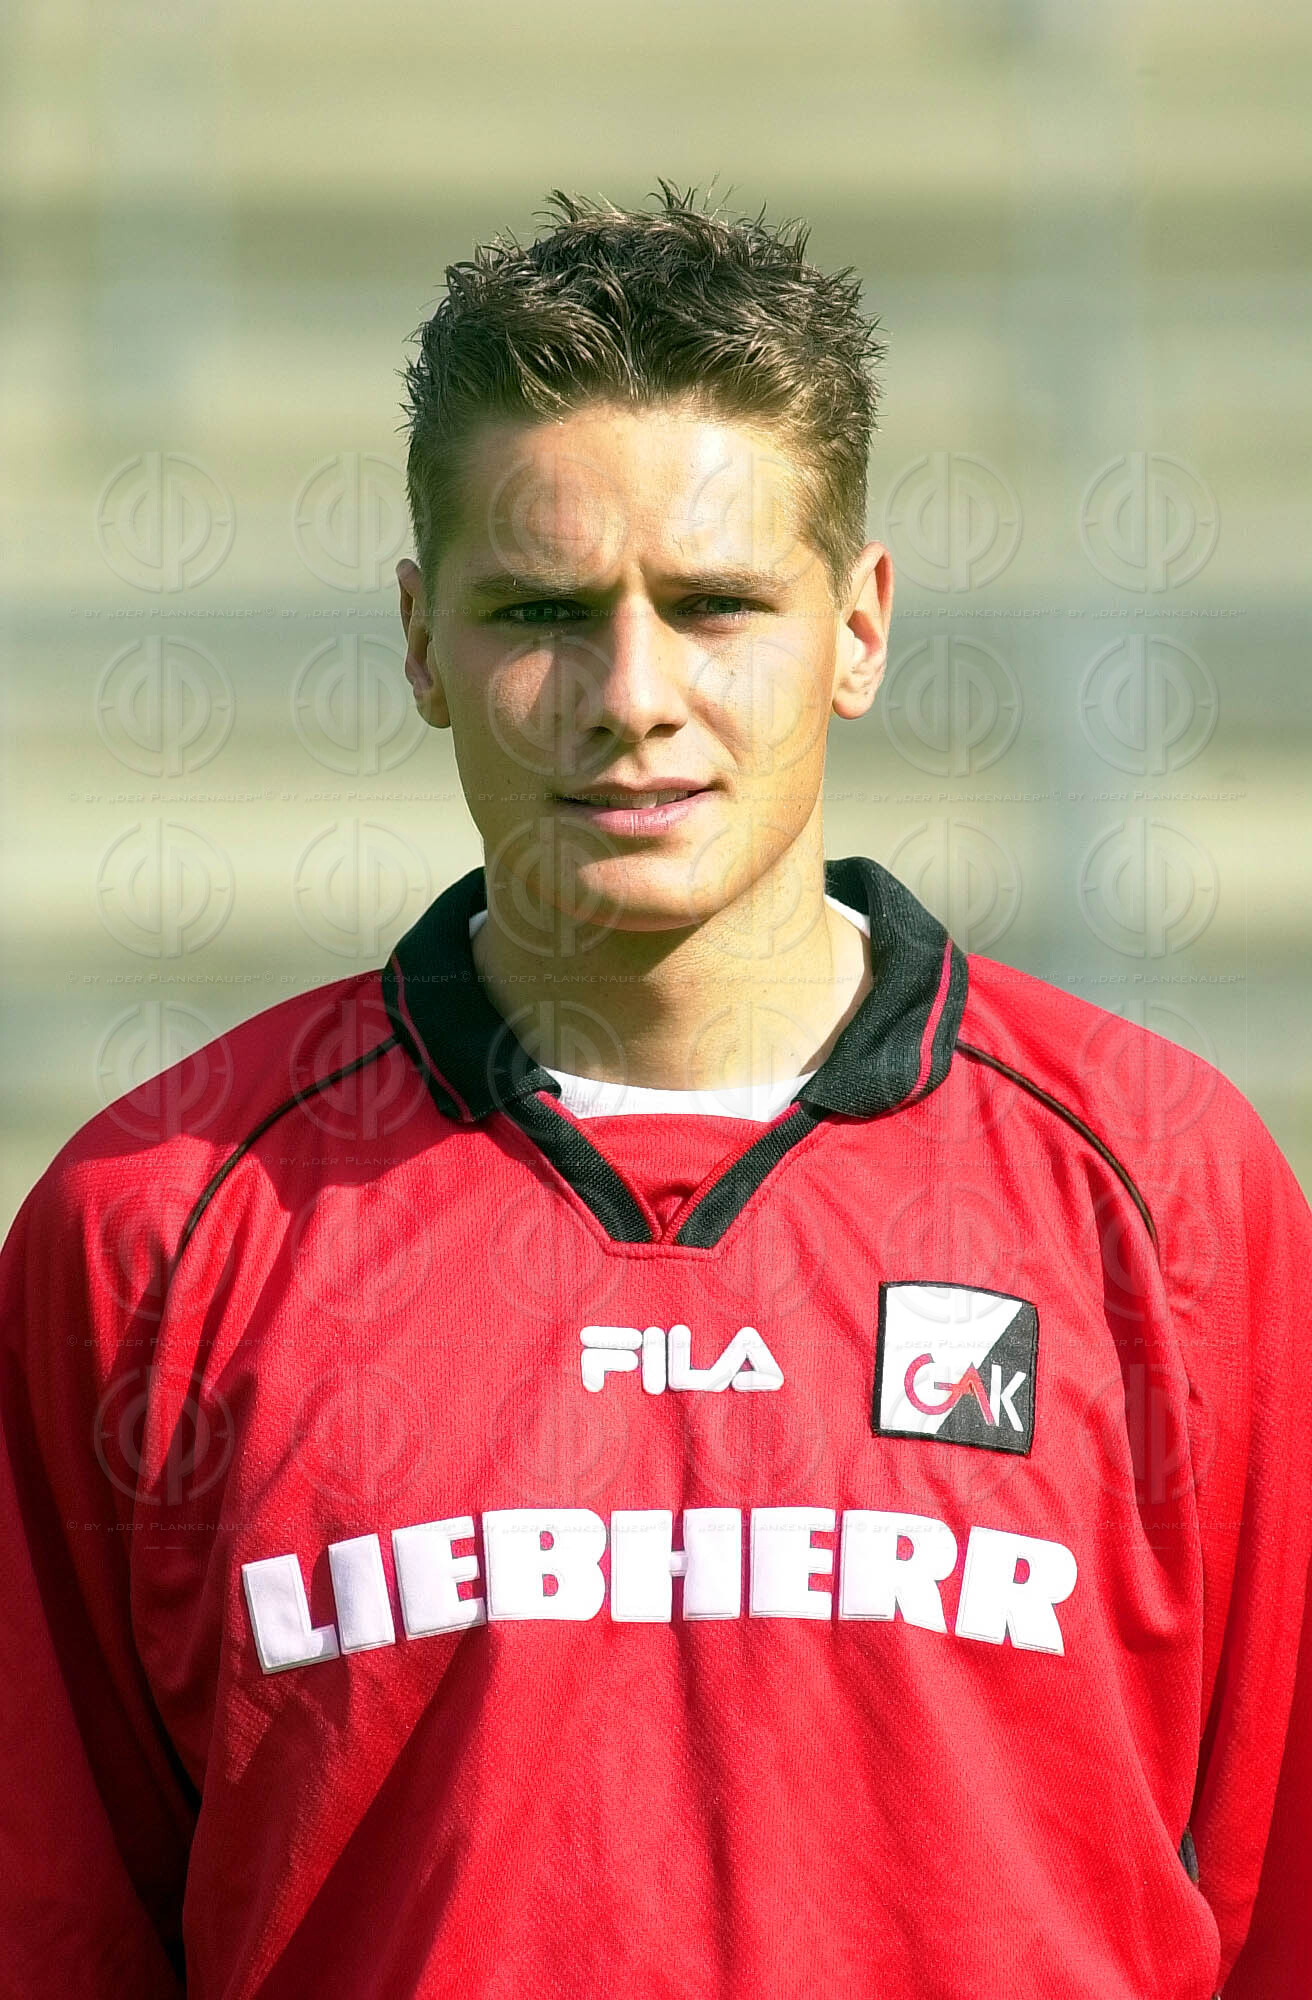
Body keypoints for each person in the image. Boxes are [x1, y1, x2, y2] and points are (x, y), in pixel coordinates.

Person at [2, 184, 1308, 1999]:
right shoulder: (151, 1230)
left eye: (715, 606)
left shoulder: (1165, 1190)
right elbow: (61, 1933)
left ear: (859, 627)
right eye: (541, 608)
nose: (630, 696)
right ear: (419, 638)